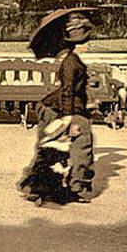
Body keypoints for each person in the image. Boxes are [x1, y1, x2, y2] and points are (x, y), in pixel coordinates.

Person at [21, 14, 96, 202]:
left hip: (58, 108)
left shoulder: (72, 60)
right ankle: (75, 187)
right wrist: (68, 119)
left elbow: (72, 90)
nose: (89, 44)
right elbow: (67, 92)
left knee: (52, 147)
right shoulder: (71, 63)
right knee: (79, 145)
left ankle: (36, 186)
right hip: (59, 110)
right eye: (86, 40)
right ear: (78, 43)